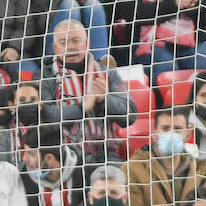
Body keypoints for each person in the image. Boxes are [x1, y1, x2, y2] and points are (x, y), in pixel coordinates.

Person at [41, 17, 136, 162]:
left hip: (106, 154)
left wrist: (103, 100)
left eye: (76, 40)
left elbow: (130, 114)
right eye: (63, 42)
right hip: (63, 157)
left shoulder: (107, 72)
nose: (70, 47)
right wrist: (82, 108)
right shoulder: (44, 76)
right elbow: (46, 118)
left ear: (87, 43)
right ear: (54, 48)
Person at [125, 106, 206, 206]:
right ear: (154, 134)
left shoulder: (203, 171)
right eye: (165, 128)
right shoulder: (133, 168)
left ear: (188, 134)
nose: (171, 134)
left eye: (178, 129)